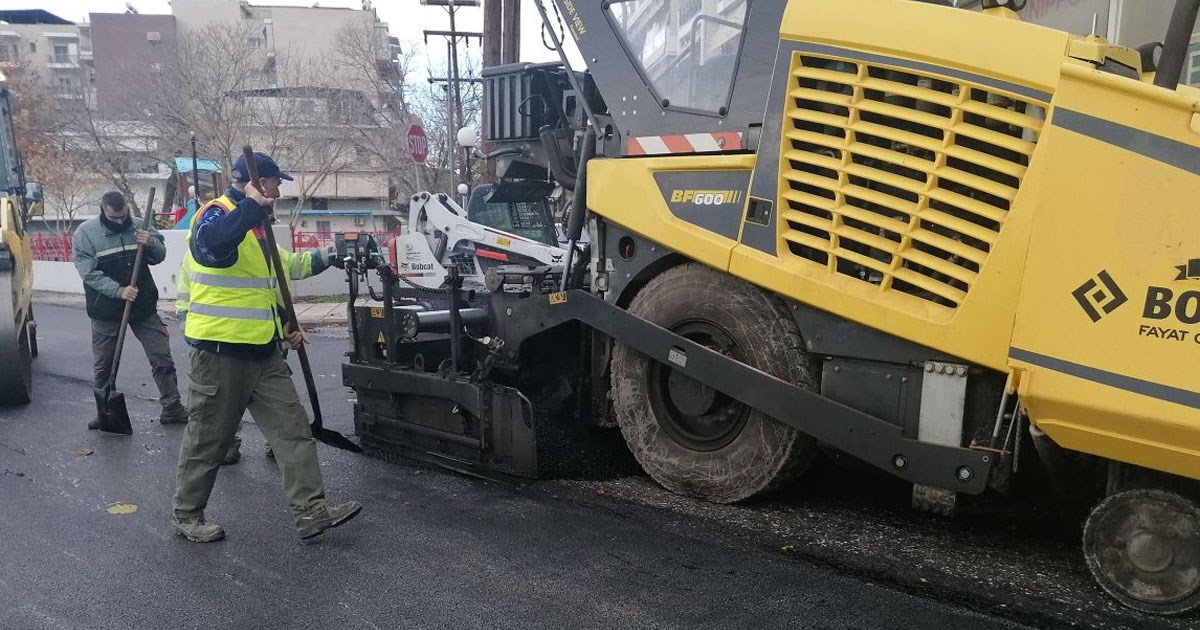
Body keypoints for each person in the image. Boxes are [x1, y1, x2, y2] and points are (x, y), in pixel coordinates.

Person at [171, 151, 361, 543]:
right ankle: (188, 515)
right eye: (275, 182)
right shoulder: (216, 213)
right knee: (209, 438)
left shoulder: (259, 227)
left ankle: (311, 510)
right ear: (256, 183)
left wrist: (330, 257)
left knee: (293, 431)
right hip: (219, 352)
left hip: (263, 353)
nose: (279, 189)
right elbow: (213, 246)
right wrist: (249, 209)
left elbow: (282, 270)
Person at [176, 243, 340, 465]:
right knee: (226, 405)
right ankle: (226, 442)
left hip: (266, 341)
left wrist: (330, 254)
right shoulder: (209, 248)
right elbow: (189, 303)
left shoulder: (264, 245)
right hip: (223, 346)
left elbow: (293, 265)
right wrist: (197, 340)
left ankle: (279, 445)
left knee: (282, 412)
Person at [72, 191, 188, 428]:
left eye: (123, 216)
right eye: (113, 217)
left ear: (127, 210)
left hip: (143, 307)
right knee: (104, 365)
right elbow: (88, 272)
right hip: (105, 310)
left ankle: (172, 408)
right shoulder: (85, 234)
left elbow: (159, 256)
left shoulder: (140, 226)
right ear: (103, 211)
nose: (119, 221)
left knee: (161, 358)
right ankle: (105, 412)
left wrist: (151, 243)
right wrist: (118, 291)